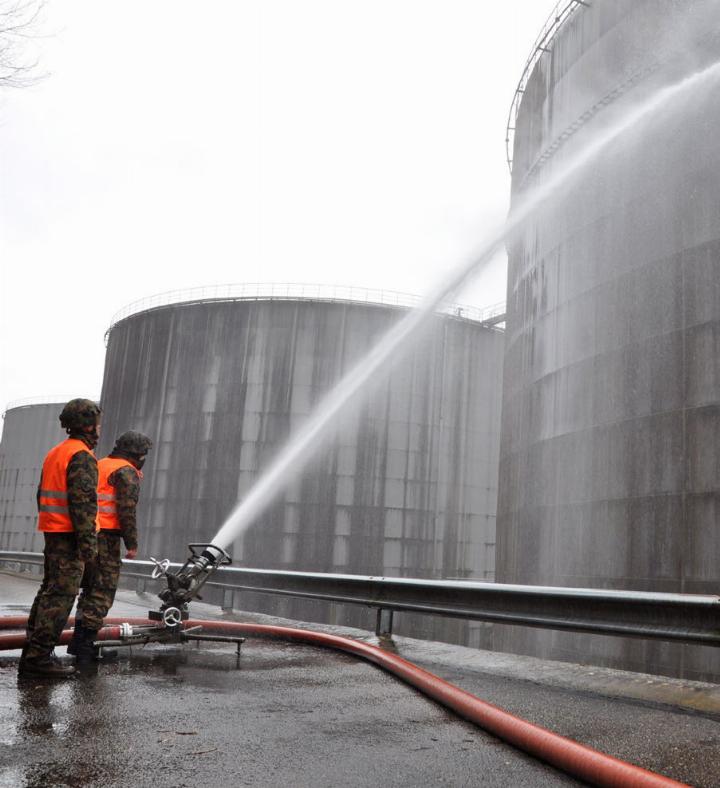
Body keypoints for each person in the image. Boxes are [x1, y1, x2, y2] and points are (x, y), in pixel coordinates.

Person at [19, 398, 101, 678]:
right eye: (97, 423)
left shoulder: (56, 452)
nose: (99, 428)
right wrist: (89, 549)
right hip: (70, 538)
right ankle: (38, 658)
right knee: (61, 597)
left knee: (48, 592)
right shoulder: (81, 456)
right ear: (88, 424)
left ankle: (33, 652)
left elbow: (41, 494)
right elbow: (84, 505)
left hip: (54, 533)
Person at [68, 430, 153, 663]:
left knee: (89, 590)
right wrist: (132, 543)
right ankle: (87, 648)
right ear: (137, 453)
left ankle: (78, 642)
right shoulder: (126, 471)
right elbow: (126, 511)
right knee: (102, 592)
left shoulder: (102, 464)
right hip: (106, 539)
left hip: (87, 534)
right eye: (144, 453)